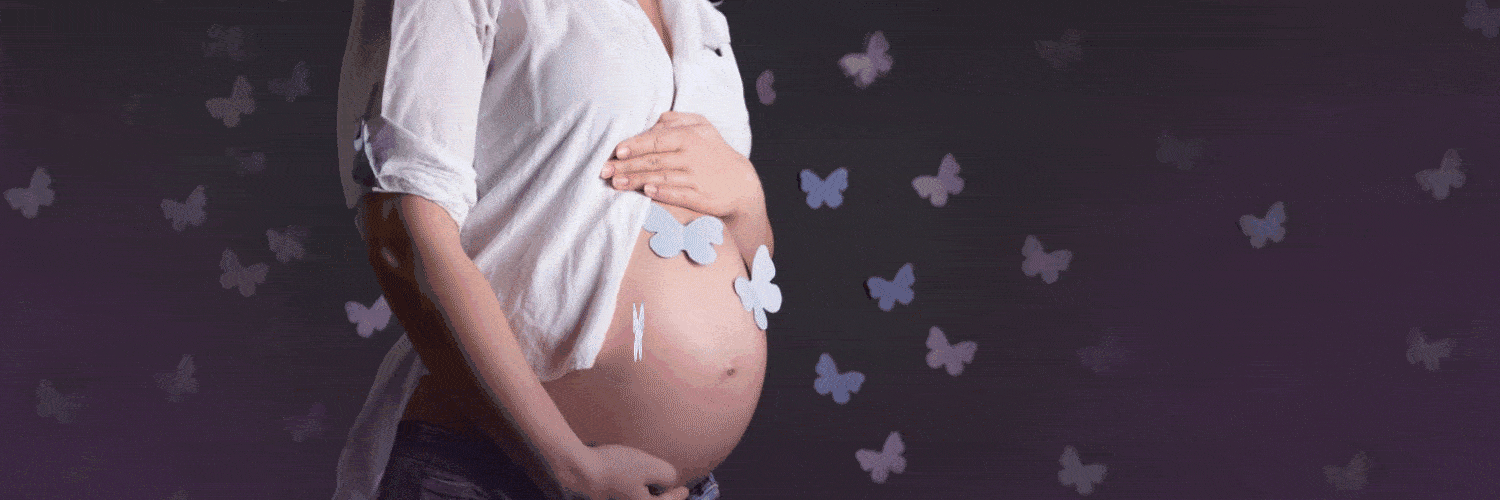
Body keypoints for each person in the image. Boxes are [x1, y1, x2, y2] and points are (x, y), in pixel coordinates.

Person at [332, 0, 774, 498]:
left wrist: (747, 200)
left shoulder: (697, 15)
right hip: (498, 473)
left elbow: (745, 269)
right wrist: (568, 466)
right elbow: (403, 234)